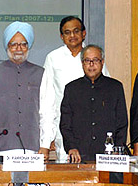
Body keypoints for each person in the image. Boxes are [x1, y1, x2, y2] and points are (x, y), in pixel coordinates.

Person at [0, 21, 55, 160]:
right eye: (13, 44)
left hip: (34, 150)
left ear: (28, 46)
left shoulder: (42, 74)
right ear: (7, 46)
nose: (18, 48)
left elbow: (48, 113)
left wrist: (45, 145)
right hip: (0, 149)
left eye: (23, 44)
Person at [43, 16, 109, 162]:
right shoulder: (53, 58)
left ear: (83, 33)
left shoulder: (93, 56)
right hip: (65, 126)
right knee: (66, 169)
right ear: (61, 36)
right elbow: (47, 97)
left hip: (94, 126)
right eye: (67, 32)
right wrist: (49, 135)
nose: (72, 36)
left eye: (76, 31)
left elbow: (107, 89)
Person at [60, 45, 127, 163]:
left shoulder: (115, 87)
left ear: (102, 62)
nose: (91, 64)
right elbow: (65, 124)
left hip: (109, 154)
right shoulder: (71, 89)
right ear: (82, 63)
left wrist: (118, 149)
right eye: (87, 61)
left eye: (95, 60)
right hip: (79, 155)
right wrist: (71, 147)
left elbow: (122, 123)